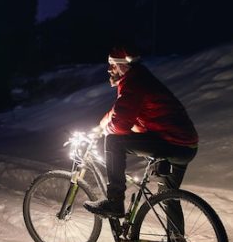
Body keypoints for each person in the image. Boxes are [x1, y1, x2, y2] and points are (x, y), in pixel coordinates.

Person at [83, 46, 198, 218]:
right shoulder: (139, 79)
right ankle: (176, 241)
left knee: (114, 141)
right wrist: (100, 127)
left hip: (171, 142)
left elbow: (121, 124)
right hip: (186, 145)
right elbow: (119, 110)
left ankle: (114, 202)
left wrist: (105, 131)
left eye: (113, 64)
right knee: (168, 195)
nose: (109, 69)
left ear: (124, 65)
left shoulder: (134, 82)